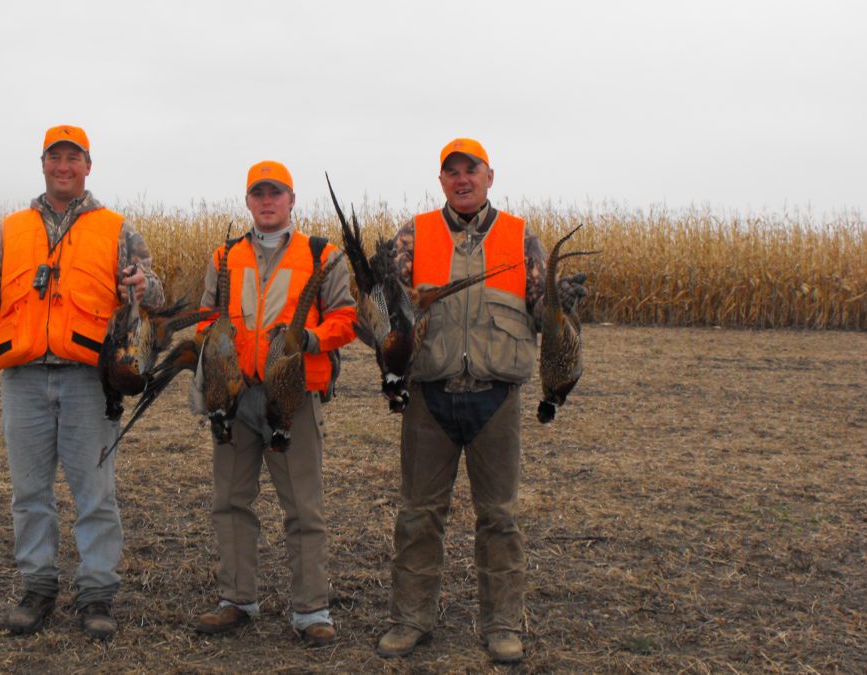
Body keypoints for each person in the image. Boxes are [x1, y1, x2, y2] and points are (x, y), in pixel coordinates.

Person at [375, 138, 589, 663]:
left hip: (497, 399)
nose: (462, 179)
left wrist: (566, 309)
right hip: (430, 397)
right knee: (419, 515)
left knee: (499, 518)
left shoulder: (520, 238)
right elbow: (385, 313)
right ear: (442, 181)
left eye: (471, 170)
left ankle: (502, 626)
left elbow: (543, 311)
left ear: (490, 176)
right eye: (452, 172)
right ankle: (411, 620)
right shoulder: (414, 234)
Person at [0, 124, 164, 640]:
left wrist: (141, 284)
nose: (63, 167)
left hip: (91, 380)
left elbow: (153, 293)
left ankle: (96, 595)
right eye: (55, 157)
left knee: (95, 493)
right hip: (23, 378)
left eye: (73, 158)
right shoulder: (10, 228)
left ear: (88, 166)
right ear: (42, 163)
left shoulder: (117, 229)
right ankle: (38, 588)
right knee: (29, 493)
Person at [192, 161, 357, 646]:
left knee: (303, 507)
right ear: (248, 201)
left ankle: (311, 611)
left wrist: (309, 337)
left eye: (276, 193)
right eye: (258, 194)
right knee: (230, 501)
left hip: (293, 396)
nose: (267, 202)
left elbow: (348, 319)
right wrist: (217, 352)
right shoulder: (224, 256)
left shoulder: (322, 254)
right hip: (237, 395)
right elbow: (206, 317)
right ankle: (236, 600)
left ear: (291, 200)